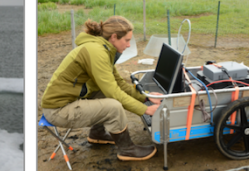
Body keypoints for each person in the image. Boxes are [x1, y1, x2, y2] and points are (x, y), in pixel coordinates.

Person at [41, 16, 161, 161]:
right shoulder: (97, 52)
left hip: (69, 100)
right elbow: (114, 92)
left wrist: (145, 97)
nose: (129, 45)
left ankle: (97, 134)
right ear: (114, 37)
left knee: (104, 92)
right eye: (127, 40)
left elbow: (119, 84)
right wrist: (145, 109)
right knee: (114, 106)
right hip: (58, 110)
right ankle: (127, 150)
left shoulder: (103, 49)